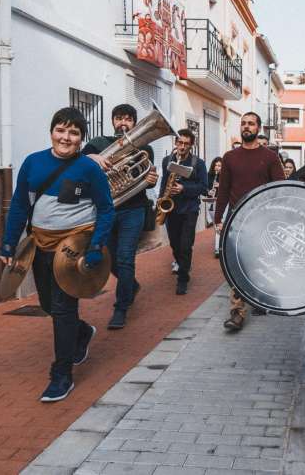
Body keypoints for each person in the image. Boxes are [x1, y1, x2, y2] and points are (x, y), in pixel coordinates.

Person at [0, 107, 114, 402]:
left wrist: (96, 246)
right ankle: (82, 332)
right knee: (48, 305)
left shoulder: (89, 168)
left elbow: (106, 209)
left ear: (81, 138)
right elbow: (20, 205)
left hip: (74, 249)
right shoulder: (33, 162)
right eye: (60, 130)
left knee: (63, 310)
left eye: (73, 132)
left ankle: (62, 374)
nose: (66, 137)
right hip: (40, 245)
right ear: (51, 132)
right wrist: (9, 242)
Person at [83, 104, 157, 330]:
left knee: (125, 258)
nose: (122, 122)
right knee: (109, 259)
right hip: (106, 211)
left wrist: (150, 180)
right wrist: (92, 158)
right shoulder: (97, 144)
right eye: (118, 118)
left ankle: (121, 308)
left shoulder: (144, 147)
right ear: (113, 121)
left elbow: (145, 176)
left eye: (127, 119)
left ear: (134, 123)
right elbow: (77, 165)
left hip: (133, 210)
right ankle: (131, 285)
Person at [215, 112, 285, 330]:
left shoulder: (270, 157)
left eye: (251, 124)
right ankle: (237, 312)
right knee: (236, 264)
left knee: (259, 262)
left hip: (262, 220)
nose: (246, 127)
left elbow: (280, 189)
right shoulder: (230, 157)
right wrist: (218, 218)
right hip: (236, 219)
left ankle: (260, 297)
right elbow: (223, 189)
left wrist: (277, 218)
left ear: (258, 128)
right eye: (244, 123)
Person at [160, 130, 208, 295]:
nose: (182, 147)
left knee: (186, 245)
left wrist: (183, 188)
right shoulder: (167, 160)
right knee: (174, 244)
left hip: (189, 209)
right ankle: (182, 264)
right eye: (179, 143)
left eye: (186, 144)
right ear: (175, 143)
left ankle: (182, 279)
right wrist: (160, 201)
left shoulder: (198, 163)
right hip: (171, 208)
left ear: (191, 145)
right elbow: (164, 182)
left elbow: (204, 187)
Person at [206, 157, 223, 258]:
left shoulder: (225, 176)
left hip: (222, 203)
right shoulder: (209, 176)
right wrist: (209, 192)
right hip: (211, 203)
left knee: (219, 224)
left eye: (219, 166)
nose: (217, 167)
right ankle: (219, 245)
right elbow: (205, 188)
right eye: (216, 165)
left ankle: (218, 248)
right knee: (216, 225)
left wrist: (220, 186)